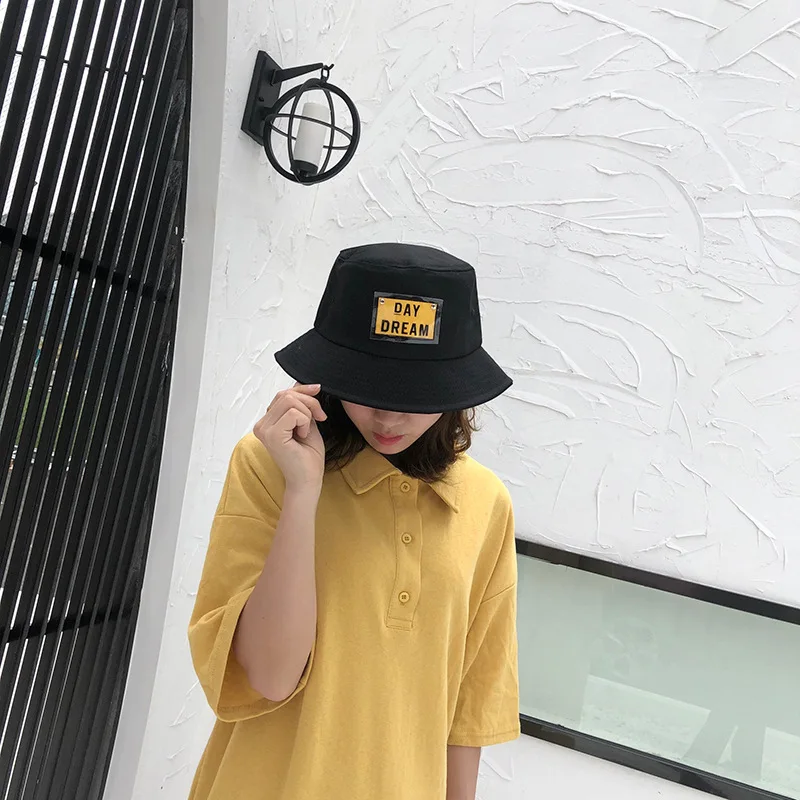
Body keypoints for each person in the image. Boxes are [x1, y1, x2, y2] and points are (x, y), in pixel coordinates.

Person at [188, 243, 520, 800]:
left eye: (416, 394)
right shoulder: (268, 466)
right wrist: (303, 492)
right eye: (367, 388)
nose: (388, 416)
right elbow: (270, 676)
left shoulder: (485, 504)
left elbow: (469, 706)